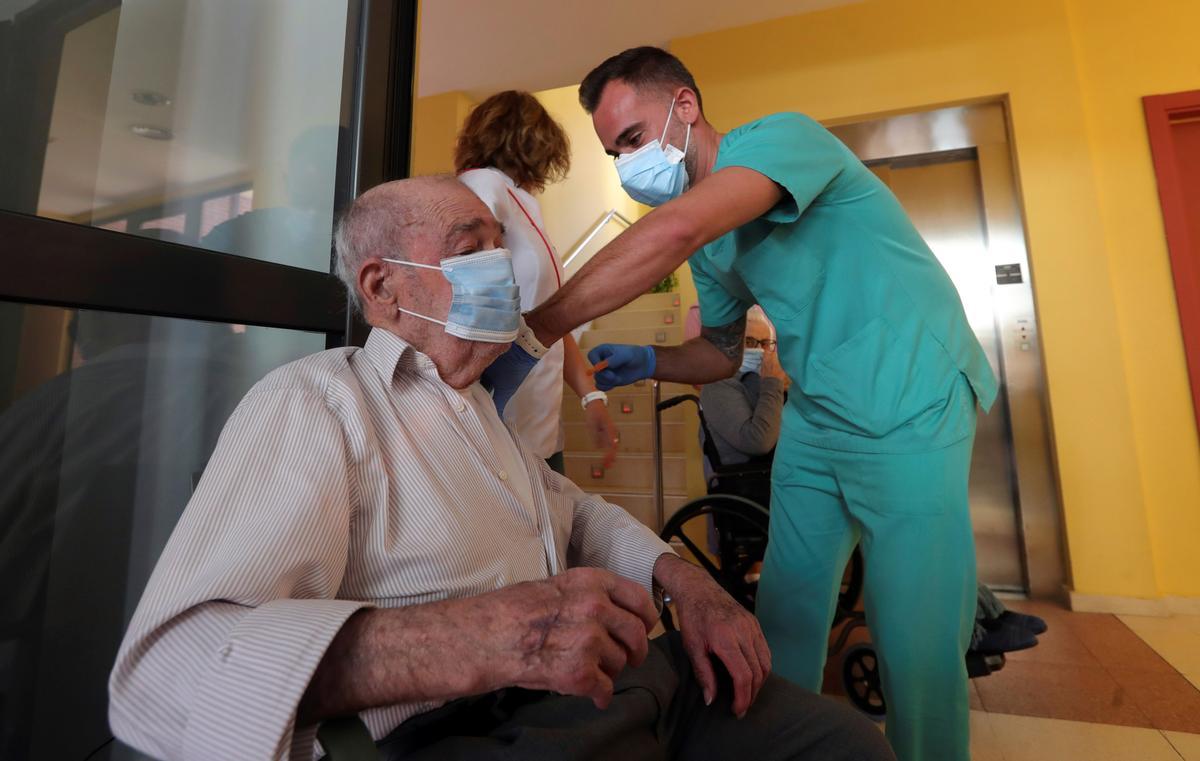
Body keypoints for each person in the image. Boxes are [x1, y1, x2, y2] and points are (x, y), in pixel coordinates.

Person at [107, 176, 894, 761]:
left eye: (498, 244)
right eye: (469, 247)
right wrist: (470, 638)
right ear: (382, 288)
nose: (502, 266)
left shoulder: (481, 408)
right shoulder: (319, 402)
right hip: (479, 729)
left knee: (849, 749)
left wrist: (685, 580)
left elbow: (574, 511)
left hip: (625, 690)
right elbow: (163, 676)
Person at [470, 47, 999, 761]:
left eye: (632, 138)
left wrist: (537, 328)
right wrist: (651, 363)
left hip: (912, 395)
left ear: (685, 107)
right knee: (783, 614)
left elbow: (675, 230)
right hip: (819, 413)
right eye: (612, 150)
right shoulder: (714, 247)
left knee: (916, 642)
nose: (627, 163)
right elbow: (721, 352)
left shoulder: (781, 140)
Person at [454, 91, 618, 472]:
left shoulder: (521, 203)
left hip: (537, 422)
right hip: (495, 426)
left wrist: (591, 397)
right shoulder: (482, 186)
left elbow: (549, 319)